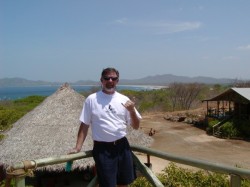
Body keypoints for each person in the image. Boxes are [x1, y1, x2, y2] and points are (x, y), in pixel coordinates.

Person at [69, 67, 141, 187]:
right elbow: (84, 125)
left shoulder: (124, 99)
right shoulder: (91, 100)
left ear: (117, 81)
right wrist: (77, 147)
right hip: (103, 149)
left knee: (124, 183)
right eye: (107, 78)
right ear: (101, 80)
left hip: (122, 146)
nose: (110, 81)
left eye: (114, 78)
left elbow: (136, 126)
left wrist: (132, 111)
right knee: (108, 184)